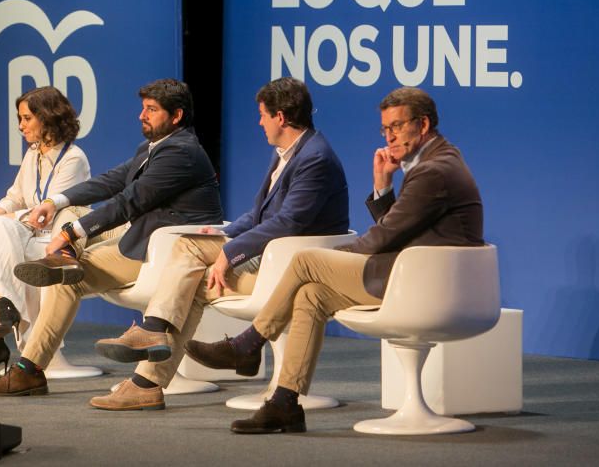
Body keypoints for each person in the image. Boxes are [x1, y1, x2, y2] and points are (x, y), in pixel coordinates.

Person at [186, 86, 484, 434]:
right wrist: (383, 187)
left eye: (398, 127)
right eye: (385, 129)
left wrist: (333, 258)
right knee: (311, 294)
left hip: (430, 284)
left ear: (424, 124)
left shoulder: (434, 171)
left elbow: (386, 237)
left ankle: (248, 344)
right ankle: (285, 402)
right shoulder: (438, 160)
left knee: (306, 262)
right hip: (416, 273)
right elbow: (399, 229)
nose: (389, 137)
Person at [90, 77, 349, 410]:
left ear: (281, 117)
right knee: (193, 256)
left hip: (291, 267)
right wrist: (221, 233)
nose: (259, 122)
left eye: (263, 115)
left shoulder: (315, 158)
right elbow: (258, 214)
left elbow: (288, 223)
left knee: (190, 253)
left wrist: (228, 251)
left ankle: (152, 345)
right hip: (275, 255)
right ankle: (146, 380)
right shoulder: (290, 152)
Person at [0, 78, 223, 398]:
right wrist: (57, 202)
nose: (141, 115)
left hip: (163, 249)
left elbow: (129, 201)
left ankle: (30, 369)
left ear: (176, 116)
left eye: (151, 110)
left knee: (68, 279)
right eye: (142, 108)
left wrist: (70, 234)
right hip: (145, 234)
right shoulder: (155, 147)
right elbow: (112, 181)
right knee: (74, 212)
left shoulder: (182, 153)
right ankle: (65, 257)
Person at [0, 87, 90, 379]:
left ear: (47, 119)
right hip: (28, 237)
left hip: (58, 242)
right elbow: (15, 196)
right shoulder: (33, 154)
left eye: (26, 118)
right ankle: (5, 313)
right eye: (19, 119)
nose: (20, 126)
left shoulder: (73, 158)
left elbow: (50, 212)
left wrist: (5, 218)